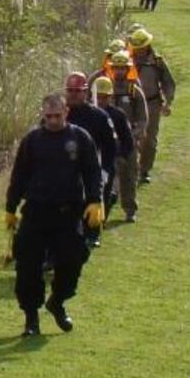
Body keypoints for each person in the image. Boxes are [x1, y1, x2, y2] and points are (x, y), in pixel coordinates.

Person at [5, 93, 104, 336]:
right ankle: (31, 319)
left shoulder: (80, 138)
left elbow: (92, 171)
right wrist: (10, 207)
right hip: (37, 212)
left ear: (66, 113)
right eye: (48, 116)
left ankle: (57, 301)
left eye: (57, 116)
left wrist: (94, 201)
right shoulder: (32, 140)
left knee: (73, 260)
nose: (52, 120)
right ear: (43, 115)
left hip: (68, 213)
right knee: (27, 267)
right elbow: (19, 176)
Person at [65, 72, 117, 248]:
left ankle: (93, 234)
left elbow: (111, 147)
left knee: (93, 202)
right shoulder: (59, 114)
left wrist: (106, 172)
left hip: (92, 168)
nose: (73, 94)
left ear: (85, 92)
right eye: (70, 90)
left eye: (77, 91)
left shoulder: (99, 117)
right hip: (65, 169)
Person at [101, 52, 148, 221]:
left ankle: (130, 209)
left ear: (128, 69)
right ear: (112, 69)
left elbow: (143, 118)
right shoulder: (105, 90)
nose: (119, 71)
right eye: (117, 68)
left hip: (130, 141)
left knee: (129, 175)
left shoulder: (134, 91)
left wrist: (134, 135)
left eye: (123, 68)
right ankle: (102, 213)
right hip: (109, 142)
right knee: (107, 178)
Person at [128, 29, 176, 184]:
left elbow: (168, 83)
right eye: (136, 47)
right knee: (131, 137)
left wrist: (168, 102)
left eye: (141, 46)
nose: (139, 50)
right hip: (131, 104)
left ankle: (144, 170)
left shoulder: (157, 62)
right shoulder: (126, 61)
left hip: (152, 104)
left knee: (149, 140)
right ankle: (130, 170)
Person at [93, 76, 134, 219]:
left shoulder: (118, 116)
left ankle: (104, 218)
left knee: (109, 192)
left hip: (112, 161)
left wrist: (122, 156)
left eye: (104, 97)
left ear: (110, 97)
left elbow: (128, 140)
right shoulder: (87, 114)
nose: (100, 101)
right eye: (98, 97)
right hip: (91, 160)